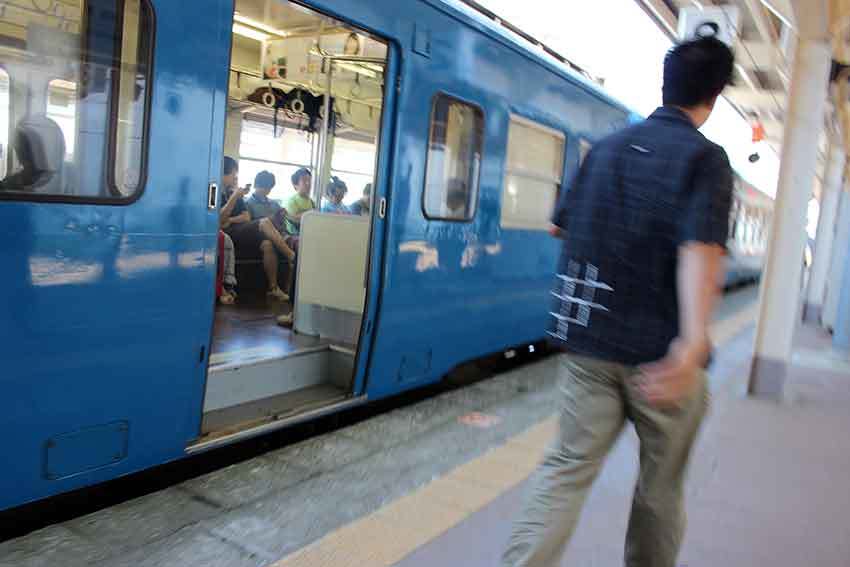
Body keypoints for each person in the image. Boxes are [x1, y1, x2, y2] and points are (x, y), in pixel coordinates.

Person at [502, 35, 735, 567]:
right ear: (715, 95)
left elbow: (557, 227)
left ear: (665, 83)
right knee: (660, 488)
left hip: (590, 346)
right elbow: (701, 248)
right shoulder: (705, 159)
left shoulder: (605, 149)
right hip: (661, 353)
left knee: (563, 471)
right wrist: (692, 345)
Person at [220, 157, 296, 302]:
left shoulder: (233, 192)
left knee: (267, 244)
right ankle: (292, 256)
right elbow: (218, 219)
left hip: (238, 229)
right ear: (223, 174)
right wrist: (234, 197)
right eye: (233, 174)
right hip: (229, 234)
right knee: (264, 221)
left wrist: (230, 220)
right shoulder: (219, 192)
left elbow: (246, 217)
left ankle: (273, 288)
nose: (235, 177)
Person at [283, 168, 315, 234]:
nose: (308, 183)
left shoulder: (312, 202)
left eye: (309, 180)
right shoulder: (291, 201)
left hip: (309, 233)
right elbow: (295, 219)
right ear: (295, 185)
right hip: (294, 235)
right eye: (304, 181)